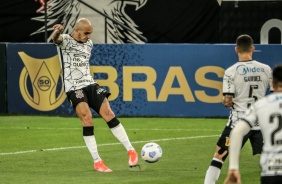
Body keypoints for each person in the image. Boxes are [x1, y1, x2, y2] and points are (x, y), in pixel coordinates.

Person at [51, 18, 138, 172]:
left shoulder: (89, 44)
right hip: (74, 87)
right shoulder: (65, 40)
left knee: (109, 113)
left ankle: (131, 151)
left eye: (90, 33)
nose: (88, 36)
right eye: (86, 33)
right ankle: (97, 162)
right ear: (77, 30)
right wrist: (57, 30)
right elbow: (55, 39)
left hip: (90, 84)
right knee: (87, 119)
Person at [204, 34, 272, 184]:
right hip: (261, 122)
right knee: (273, 159)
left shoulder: (231, 71)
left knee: (220, 155)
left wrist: (226, 100)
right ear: (253, 48)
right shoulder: (266, 69)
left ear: (236, 50)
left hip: (239, 122)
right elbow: (275, 94)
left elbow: (227, 101)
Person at [224, 64, 282, 184]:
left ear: (272, 84)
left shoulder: (261, 104)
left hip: (271, 170)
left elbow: (237, 132)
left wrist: (233, 167)